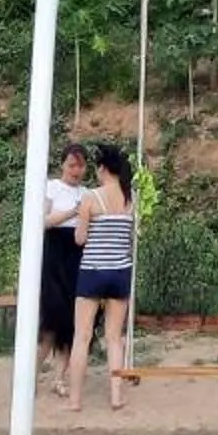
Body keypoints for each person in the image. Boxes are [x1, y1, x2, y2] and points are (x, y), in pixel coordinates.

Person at [66, 142, 137, 412]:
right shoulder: (131, 198)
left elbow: (80, 238)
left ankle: (75, 400)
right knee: (114, 338)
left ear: (104, 169)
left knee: (82, 337)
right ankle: (116, 396)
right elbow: (130, 239)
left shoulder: (90, 198)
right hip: (120, 271)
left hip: (92, 271)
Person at [37, 142, 91, 382]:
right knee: (50, 320)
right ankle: (31, 375)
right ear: (62, 165)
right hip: (54, 255)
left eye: (80, 166)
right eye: (72, 165)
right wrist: (72, 212)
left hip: (77, 256)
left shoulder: (88, 193)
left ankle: (60, 378)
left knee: (71, 322)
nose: (76, 171)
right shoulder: (51, 188)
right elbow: (43, 221)